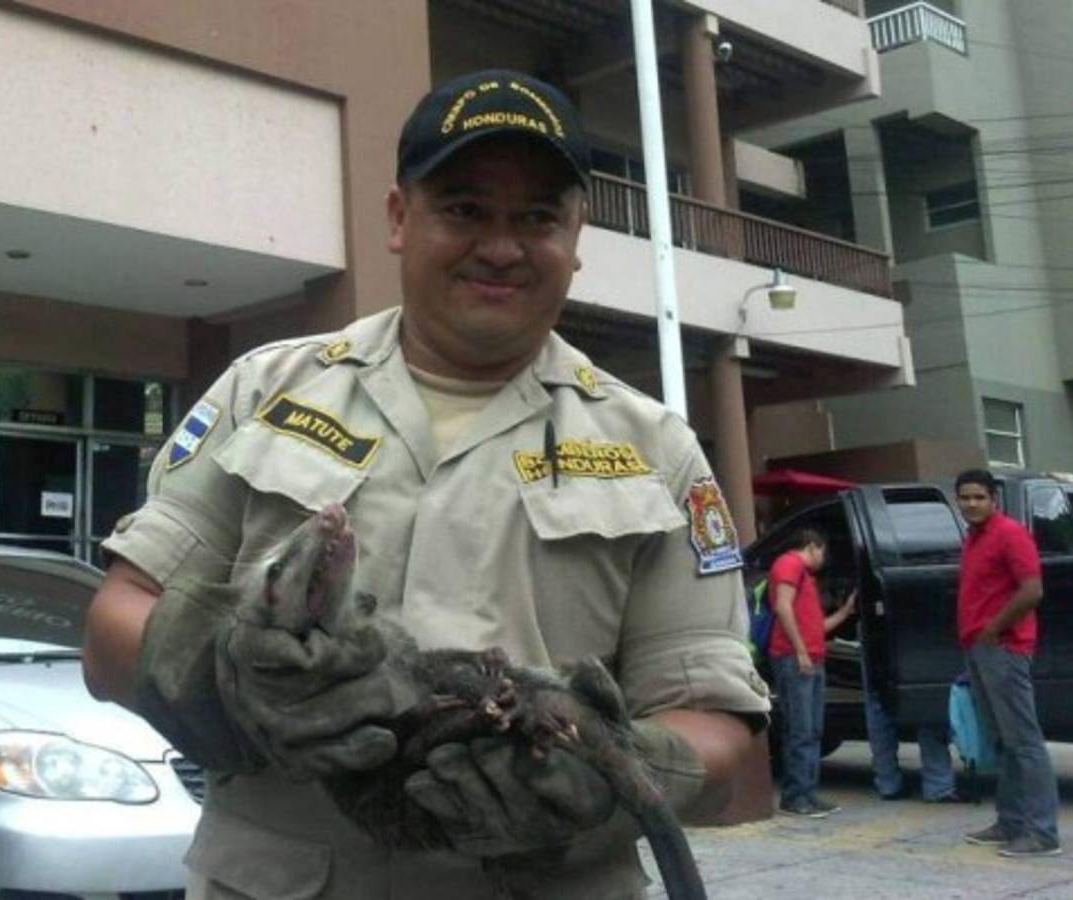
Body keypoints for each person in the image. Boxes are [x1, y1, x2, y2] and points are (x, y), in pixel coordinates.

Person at [81, 68, 771, 900]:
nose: (502, 247)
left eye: (537, 217)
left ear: (576, 237)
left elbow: (723, 734)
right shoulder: (263, 392)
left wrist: (611, 774)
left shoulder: (656, 449)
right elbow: (115, 624)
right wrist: (227, 676)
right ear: (399, 218)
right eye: (465, 209)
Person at [954, 468, 1060, 858]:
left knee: (1024, 741)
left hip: (1004, 648)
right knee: (1004, 739)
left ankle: (1042, 833)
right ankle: (1010, 821)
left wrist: (994, 628)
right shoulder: (973, 538)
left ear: (993, 499)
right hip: (980, 649)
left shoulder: (1010, 534)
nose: (971, 503)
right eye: (965, 497)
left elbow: (1033, 590)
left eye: (979, 497)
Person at [767, 528, 855, 817]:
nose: (823, 559)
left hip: (811, 658)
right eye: (823, 552)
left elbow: (816, 627)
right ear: (813, 546)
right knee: (801, 729)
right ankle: (795, 797)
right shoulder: (790, 564)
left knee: (812, 730)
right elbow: (783, 607)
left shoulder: (804, 576)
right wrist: (801, 651)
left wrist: (844, 613)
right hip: (796, 659)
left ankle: (807, 792)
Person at [859, 645, 960, 803]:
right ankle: (938, 785)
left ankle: (888, 783)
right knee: (928, 697)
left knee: (880, 700)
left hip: (878, 640)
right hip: (924, 642)